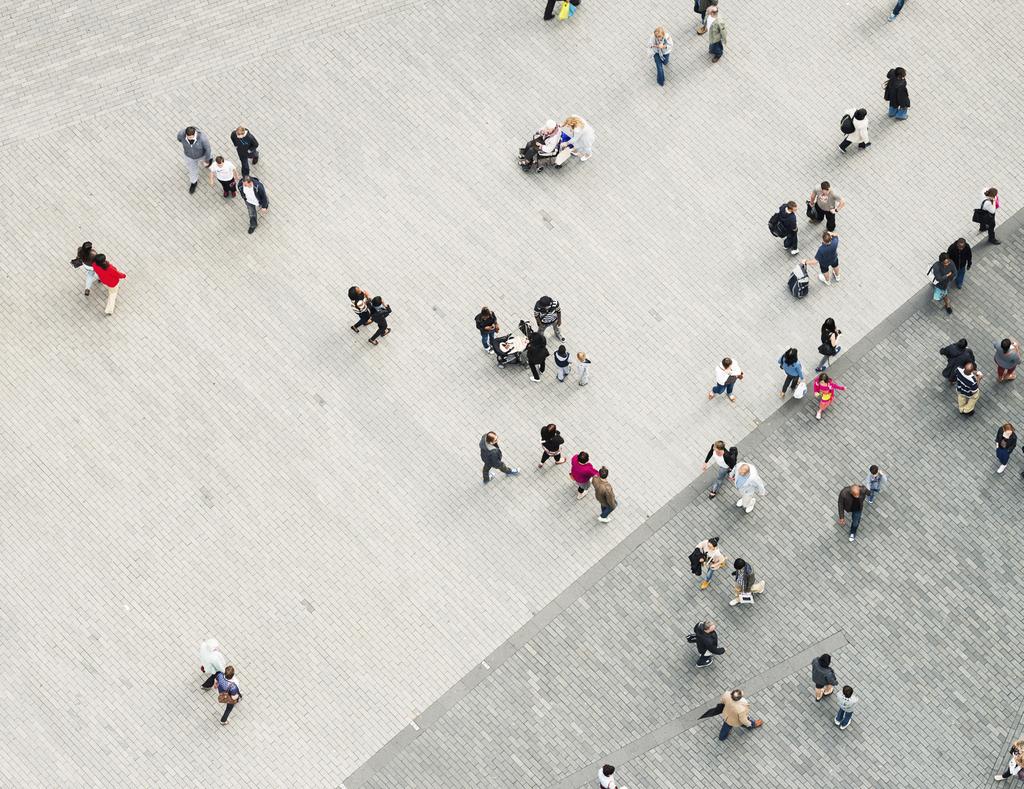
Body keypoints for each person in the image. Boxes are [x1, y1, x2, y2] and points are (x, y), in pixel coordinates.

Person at [176, 126, 212, 193]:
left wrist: (207, 160)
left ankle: (210, 161)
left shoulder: (202, 138)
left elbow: (208, 149)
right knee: (192, 170)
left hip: (202, 155)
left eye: (191, 137)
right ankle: (193, 183)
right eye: (188, 137)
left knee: (209, 156)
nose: (190, 139)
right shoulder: (181, 134)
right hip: (189, 156)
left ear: (194, 134)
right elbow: (179, 139)